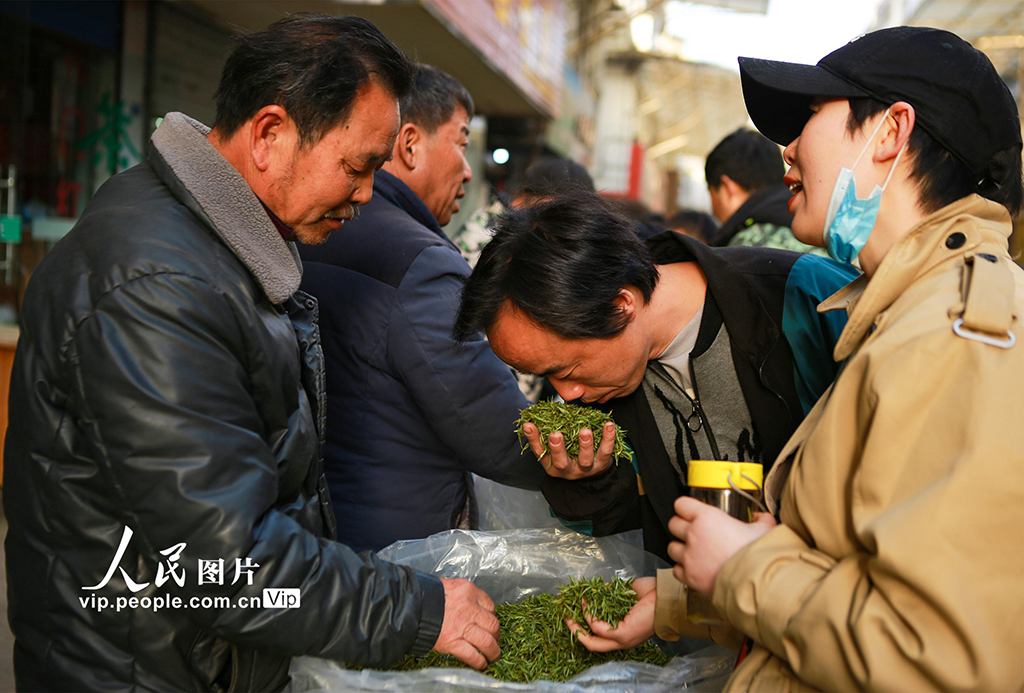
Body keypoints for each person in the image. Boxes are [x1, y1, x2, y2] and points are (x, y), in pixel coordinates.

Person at [4, 16, 504, 691]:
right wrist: (416, 609)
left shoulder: (217, 250)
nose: (366, 194)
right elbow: (225, 562)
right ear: (269, 135)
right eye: (356, 167)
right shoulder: (159, 287)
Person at [587, 27, 1024, 691]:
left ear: (890, 132)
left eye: (812, 116)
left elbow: (939, 655)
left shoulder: (956, 333)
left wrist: (743, 567)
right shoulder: (909, 313)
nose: (786, 149)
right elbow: (850, 573)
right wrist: (690, 596)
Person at [453, 189, 858, 569]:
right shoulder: (605, 391)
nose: (568, 394)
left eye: (564, 371)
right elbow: (631, 534)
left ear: (621, 305)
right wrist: (589, 479)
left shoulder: (806, 299)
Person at [298, 65, 556, 553]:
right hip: (397, 550)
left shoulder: (308, 227)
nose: (468, 170)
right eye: (462, 142)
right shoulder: (422, 264)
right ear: (411, 144)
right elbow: (498, 432)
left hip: (313, 532)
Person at [705, 127, 824, 254]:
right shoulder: (815, 226)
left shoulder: (744, 249)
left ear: (727, 187)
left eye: (711, 194)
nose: (712, 207)